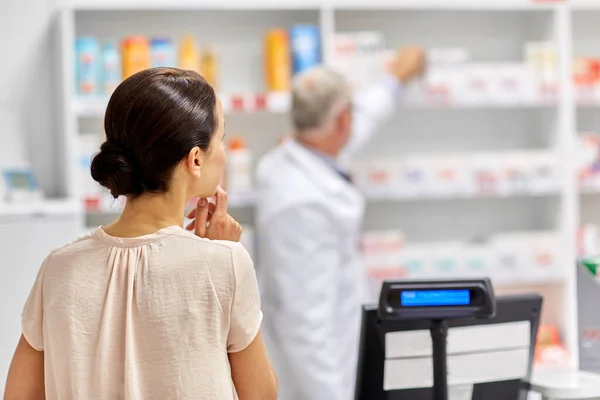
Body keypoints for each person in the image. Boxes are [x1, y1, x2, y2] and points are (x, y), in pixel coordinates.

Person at [4, 68, 277, 400]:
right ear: (195, 160)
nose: (222, 151)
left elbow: (19, 394)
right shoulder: (226, 263)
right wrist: (217, 253)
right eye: (220, 138)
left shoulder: (58, 268)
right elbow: (261, 394)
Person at [255, 47, 425, 400]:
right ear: (341, 121)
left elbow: (364, 117)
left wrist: (395, 80)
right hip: (317, 376)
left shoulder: (308, 153)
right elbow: (305, 325)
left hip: (340, 344)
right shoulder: (299, 203)